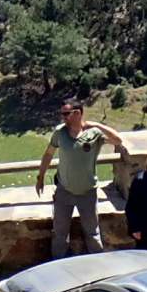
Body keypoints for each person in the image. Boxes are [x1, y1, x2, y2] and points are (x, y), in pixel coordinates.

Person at [35, 99, 126, 258]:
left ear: (77, 113)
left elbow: (118, 140)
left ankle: (97, 264)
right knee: (60, 233)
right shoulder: (60, 133)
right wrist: (40, 177)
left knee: (92, 233)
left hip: (87, 193)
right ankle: (58, 263)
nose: (62, 117)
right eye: (62, 113)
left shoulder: (94, 134)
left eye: (66, 114)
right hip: (64, 191)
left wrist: (97, 125)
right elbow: (48, 154)